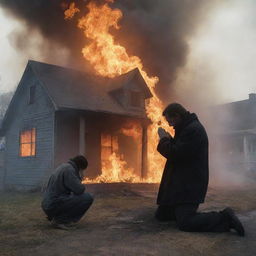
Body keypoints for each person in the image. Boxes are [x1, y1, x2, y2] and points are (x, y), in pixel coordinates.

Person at [156, 103, 245, 236]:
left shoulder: (193, 130)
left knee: (186, 223)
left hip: (189, 185)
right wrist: (170, 138)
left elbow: (177, 154)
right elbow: (182, 149)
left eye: (171, 121)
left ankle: (225, 217)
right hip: (181, 183)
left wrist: (164, 140)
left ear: (177, 116)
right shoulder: (186, 128)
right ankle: (179, 211)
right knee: (162, 215)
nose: (170, 125)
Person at [41, 155, 93, 230]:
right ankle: (61, 221)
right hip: (53, 204)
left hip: (48, 204)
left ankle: (57, 217)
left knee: (74, 197)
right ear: (80, 167)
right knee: (88, 198)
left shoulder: (64, 167)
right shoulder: (69, 170)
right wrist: (80, 177)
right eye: (82, 170)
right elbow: (79, 190)